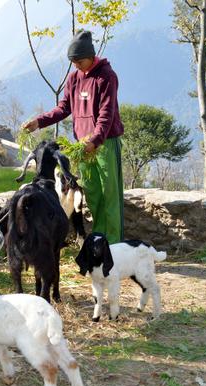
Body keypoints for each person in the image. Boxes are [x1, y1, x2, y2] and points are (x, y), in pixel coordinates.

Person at [24, 30, 125, 244]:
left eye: (79, 61)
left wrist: (95, 141)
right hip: (82, 146)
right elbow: (63, 108)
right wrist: (39, 122)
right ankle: (99, 241)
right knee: (93, 195)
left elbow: (106, 115)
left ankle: (114, 245)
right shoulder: (74, 79)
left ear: (91, 56)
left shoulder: (106, 76)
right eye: (73, 62)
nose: (76, 65)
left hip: (104, 143)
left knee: (110, 196)